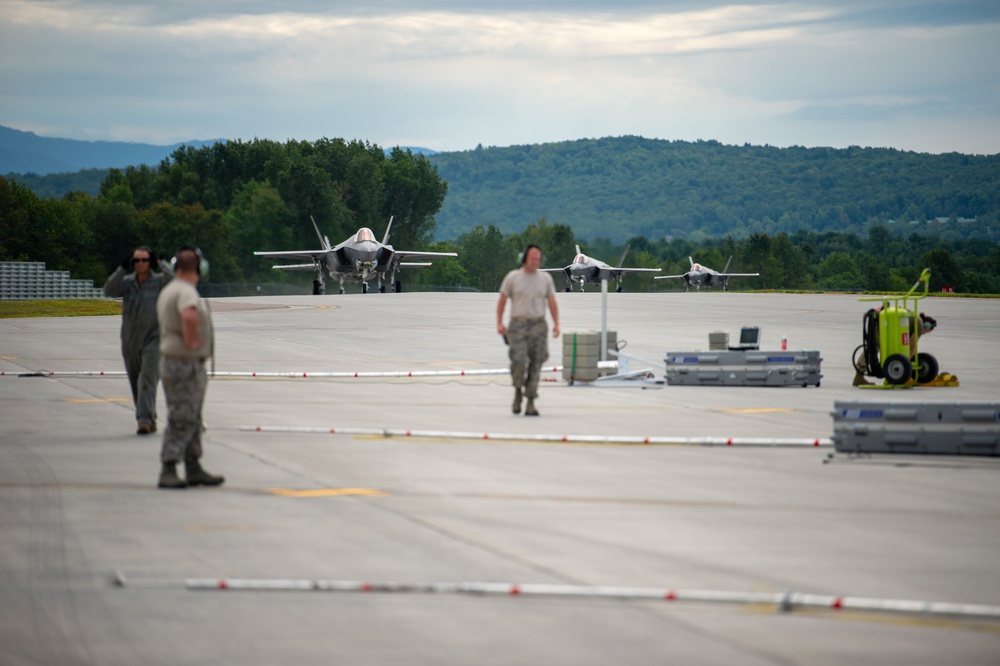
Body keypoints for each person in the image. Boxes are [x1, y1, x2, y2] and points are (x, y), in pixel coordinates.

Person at [155, 246, 224, 489]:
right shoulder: (185, 291)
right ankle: (169, 467)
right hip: (184, 364)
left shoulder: (170, 289)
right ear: (198, 268)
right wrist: (191, 340)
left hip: (176, 363)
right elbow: (189, 316)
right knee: (182, 418)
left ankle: (193, 466)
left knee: (193, 418)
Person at [103, 246, 173, 434]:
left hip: (153, 340)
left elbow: (175, 281)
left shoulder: (159, 282)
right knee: (136, 383)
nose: (140, 264)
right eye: (136, 261)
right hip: (130, 340)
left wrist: (162, 264)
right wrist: (121, 269)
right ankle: (149, 417)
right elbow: (109, 290)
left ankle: (143, 420)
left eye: (144, 260)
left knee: (147, 380)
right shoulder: (126, 283)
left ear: (150, 262)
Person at [496, 244, 560, 416]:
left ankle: (530, 400)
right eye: (532, 258)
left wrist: (556, 324)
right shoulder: (513, 277)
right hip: (517, 325)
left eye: (538, 258)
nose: (535, 261)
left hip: (538, 325)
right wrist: (499, 323)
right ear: (524, 258)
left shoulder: (545, 279)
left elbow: (552, 301)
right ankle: (518, 392)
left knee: (537, 362)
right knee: (518, 360)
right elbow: (502, 300)